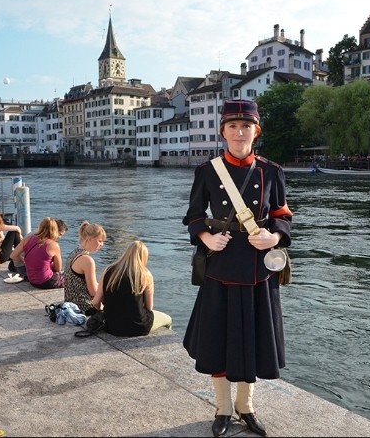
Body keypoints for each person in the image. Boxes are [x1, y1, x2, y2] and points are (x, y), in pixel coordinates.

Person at [182, 100, 292, 437]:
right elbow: (194, 215)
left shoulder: (271, 171)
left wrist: (273, 236)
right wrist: (205, 237)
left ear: (255, 131)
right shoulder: (207, 171)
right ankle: (223, 408)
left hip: (259, 268)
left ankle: (246, 405)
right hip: (221, 266)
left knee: (254, 339)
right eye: (233, 126)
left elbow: (283, 215)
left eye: (246, 126)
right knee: (218, 340)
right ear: (223, 131)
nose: (239, 132)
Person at [91, 240, 172, 337]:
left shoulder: (108, 271)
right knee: (168, 320)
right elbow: (149, 308)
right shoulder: (145, 275)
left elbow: (95, 302)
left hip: (111, 327)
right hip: (138, 327)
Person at [63, 221, 107, 316]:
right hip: (83, 307)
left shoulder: (74, 253)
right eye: (100, 241)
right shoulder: (87, 260)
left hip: (70, 303)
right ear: (90, 239)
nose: (102, 244)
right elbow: (93, 292)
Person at [9, 217, 63, 288]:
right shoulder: (53, 245)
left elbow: (13, 255)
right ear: (55, 230)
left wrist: (23, 262)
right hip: (46, 281)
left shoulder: (28, 239)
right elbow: (58, 269)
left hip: (32, 280)